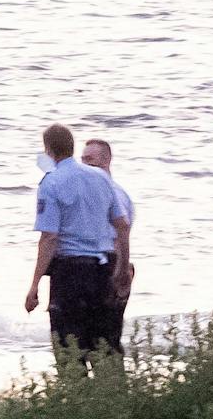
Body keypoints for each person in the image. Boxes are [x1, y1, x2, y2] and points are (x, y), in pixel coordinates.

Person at [25, 122, 130, 367]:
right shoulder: (101, 178)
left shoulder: (51, 182)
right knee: (105, 347)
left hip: (71, 272)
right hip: (104, 268)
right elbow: (122, 226)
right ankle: (111, 390)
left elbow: (49, 238)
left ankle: (76, 389)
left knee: (69, 349)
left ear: (49, 150)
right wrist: (122, 267)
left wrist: (35, 284)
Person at [82, 138, 135, 356]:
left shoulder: (115, 193)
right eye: (82, 160)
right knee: (89, 337)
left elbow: (120, 234)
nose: (85, 165)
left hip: (111, 268)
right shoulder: (92, 192)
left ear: (106, 161)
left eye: (90, 159)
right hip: (98, 268)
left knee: (106, 341)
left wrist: (120, 272)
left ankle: (110, 377)